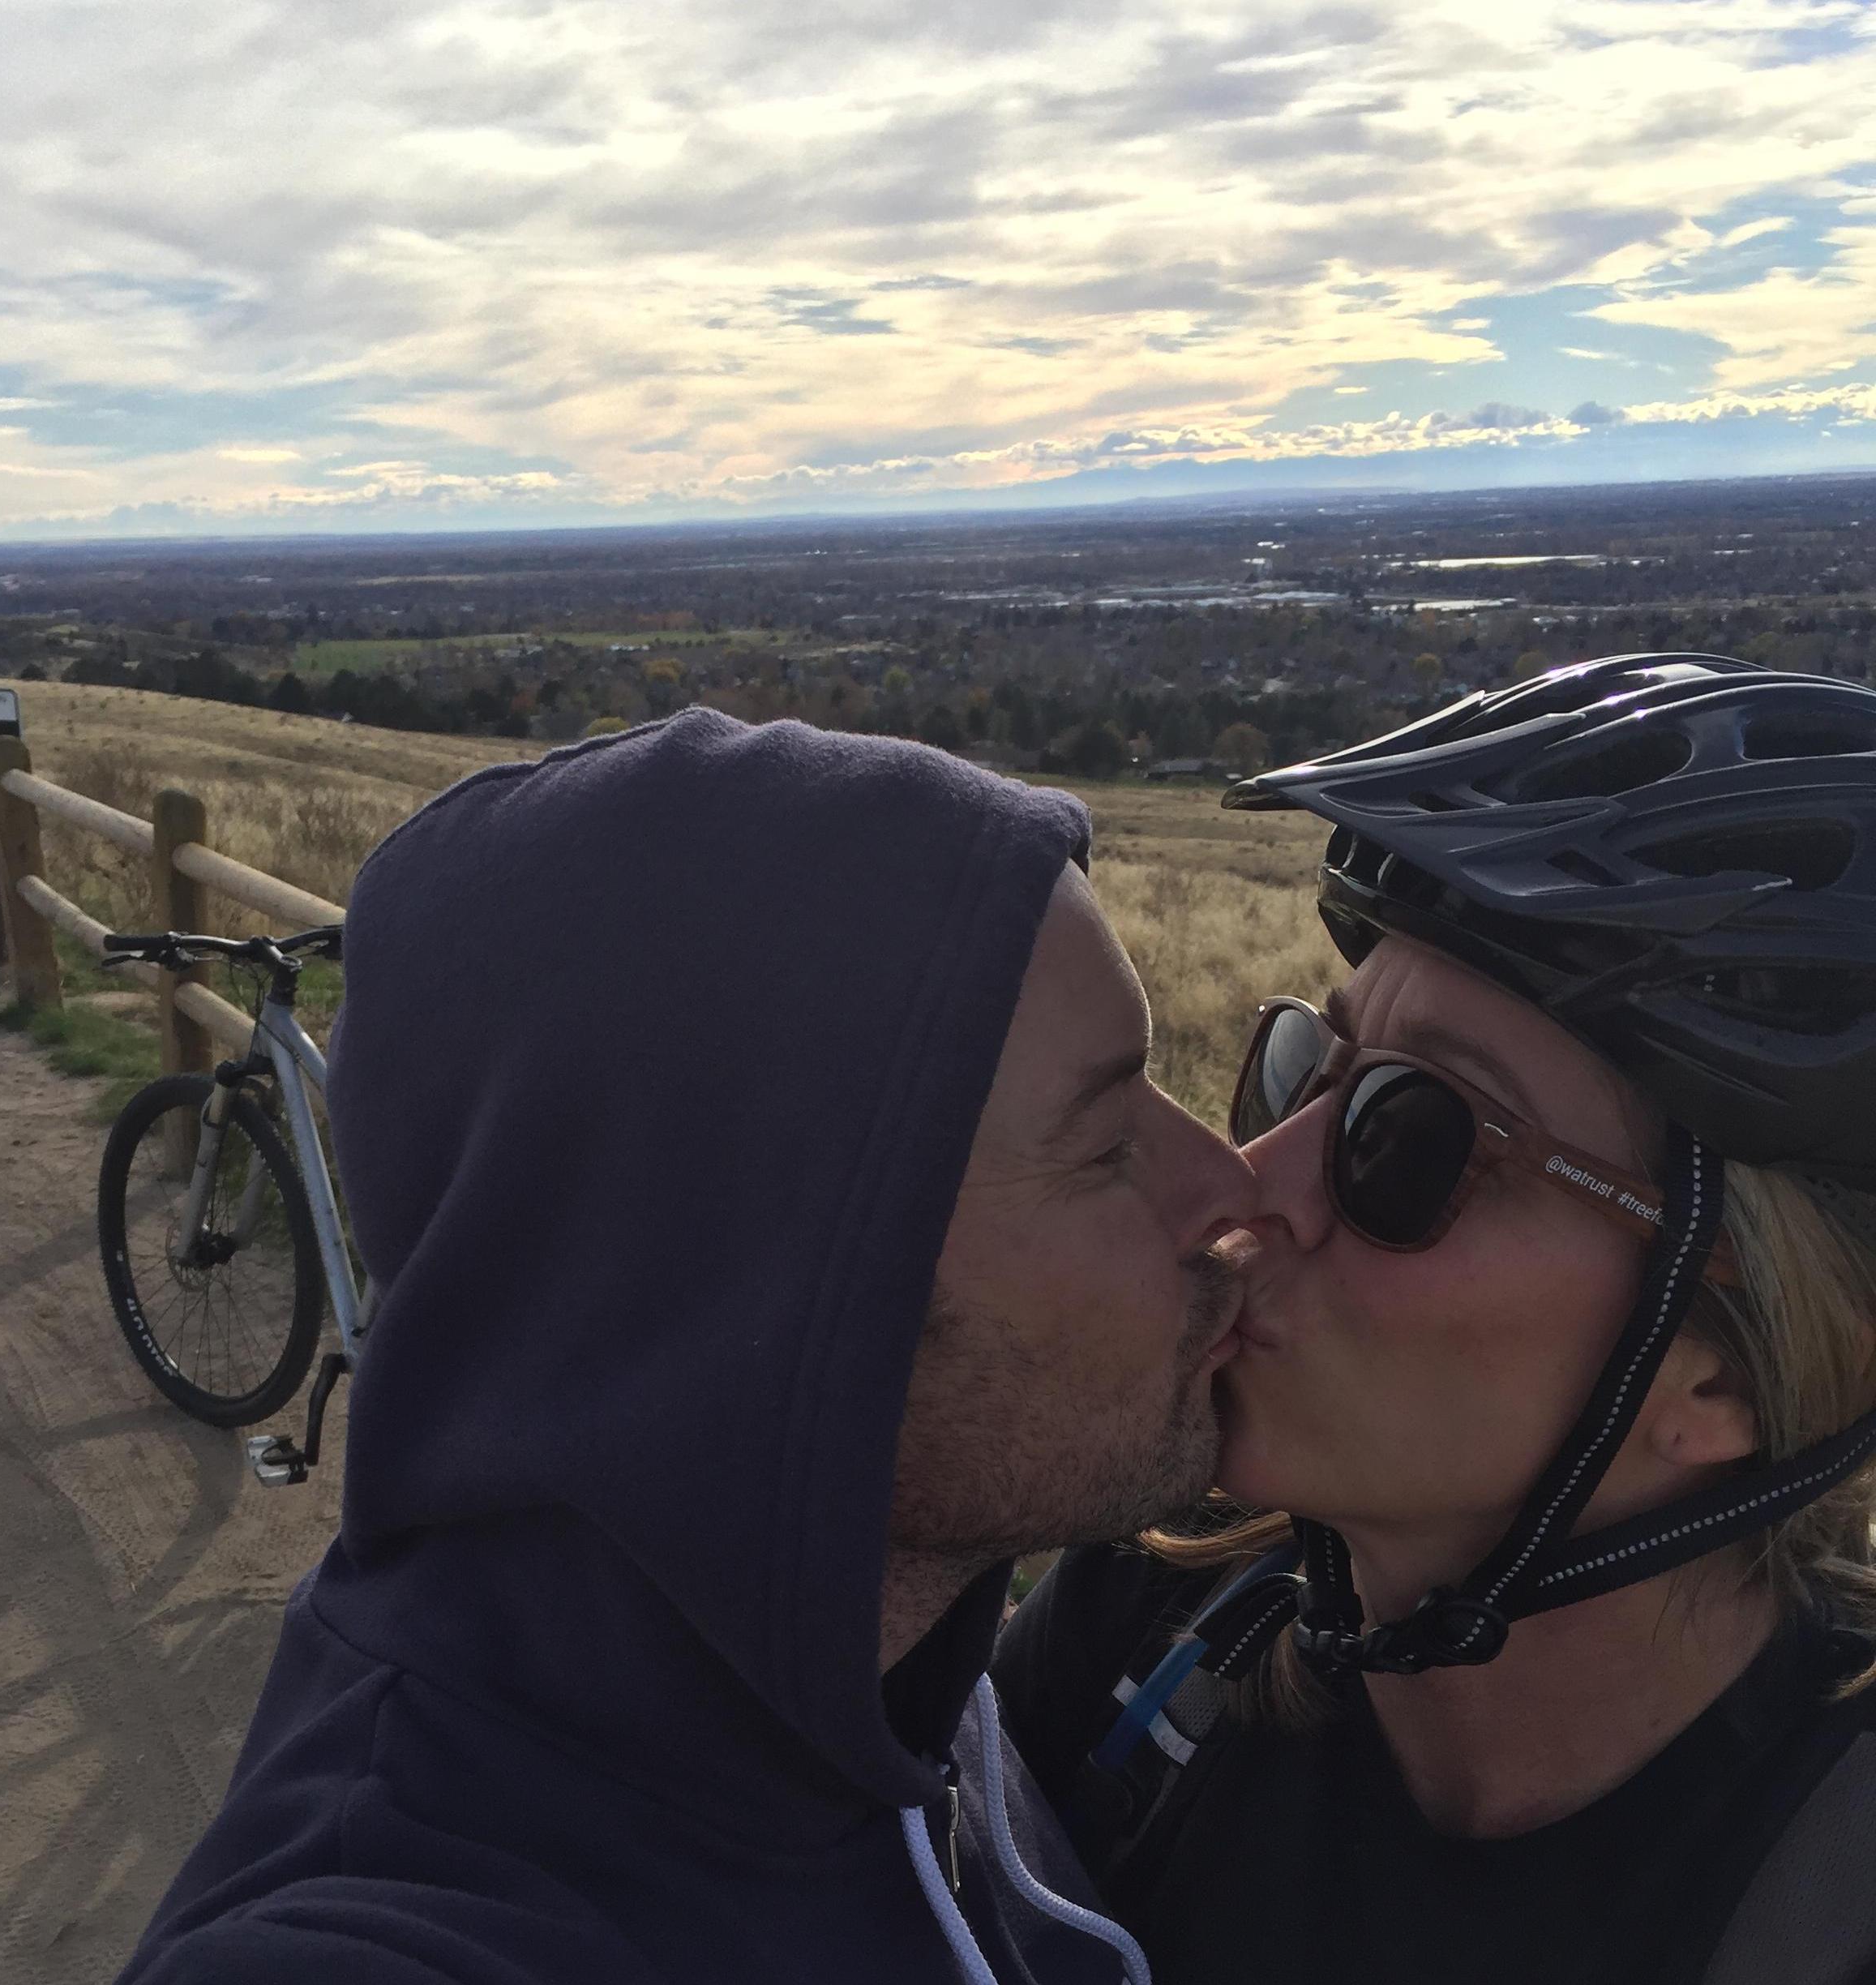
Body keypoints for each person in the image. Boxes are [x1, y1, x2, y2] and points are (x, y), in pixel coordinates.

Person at [116, 706, 1259, 1985]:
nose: (1237, 1190)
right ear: (779, 1286)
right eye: (1103, 1144)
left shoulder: (865, 1659)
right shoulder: (384, 1936)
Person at [994, 654, 1876, 1985]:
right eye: (1304, 1067)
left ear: (1724, 1384)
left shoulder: (1831, 1887)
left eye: (1405, 1137)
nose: (1255, 1180)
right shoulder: (1155, 1618)